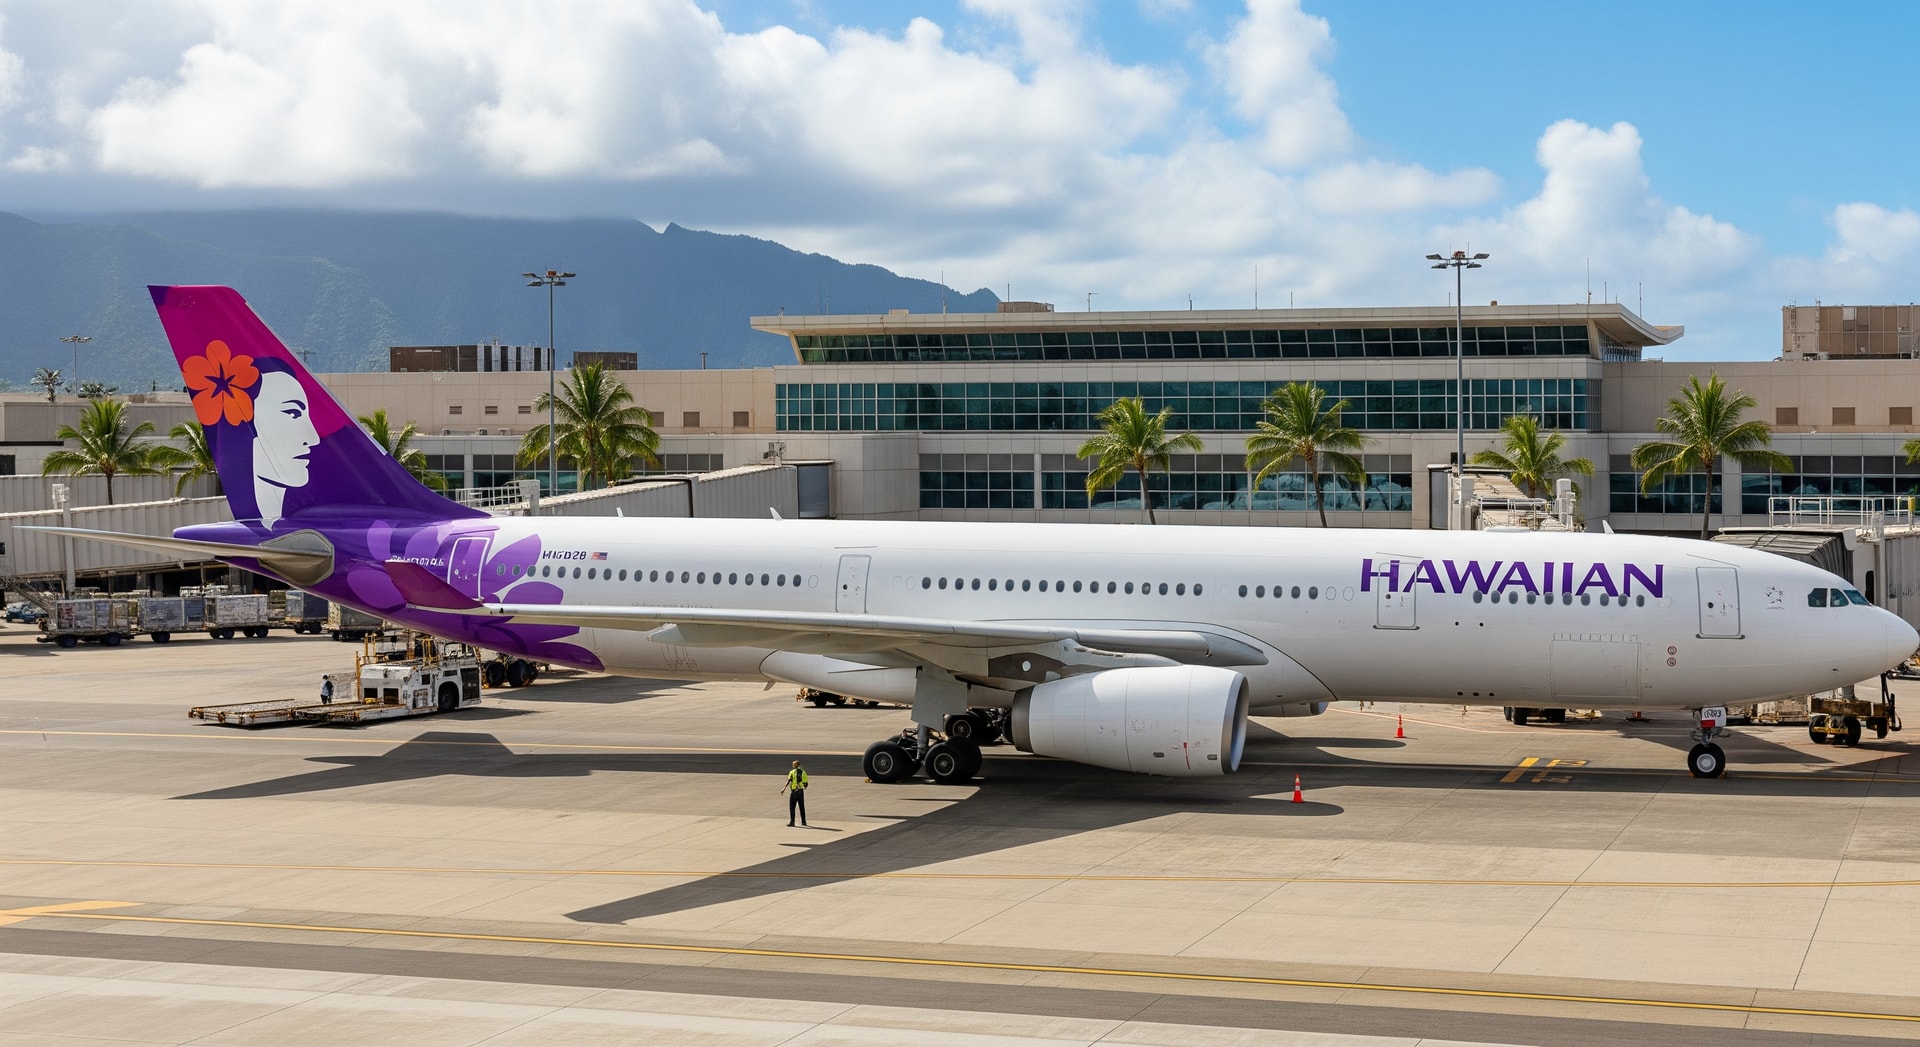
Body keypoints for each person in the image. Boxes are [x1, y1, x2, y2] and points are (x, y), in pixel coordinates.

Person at [784, 760, 809, 826]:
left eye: (793, 764)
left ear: (795, 765)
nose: (792, 765)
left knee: (792, 807)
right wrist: (804, 787)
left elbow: (789, 780)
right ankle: (803, 821)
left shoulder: (792, 772)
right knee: (801, 807)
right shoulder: (803, 772)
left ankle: (792, 822)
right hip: (800, 791)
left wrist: (784, 788)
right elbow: (806, 782)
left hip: (794, 791)